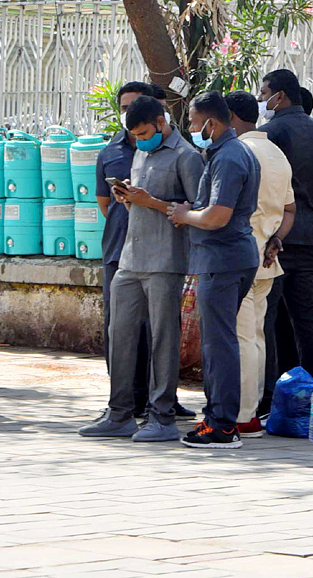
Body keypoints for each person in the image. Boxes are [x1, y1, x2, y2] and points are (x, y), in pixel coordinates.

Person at [80, 95, 203, 442]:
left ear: (162, 122)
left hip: (166, 260)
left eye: (145, 131)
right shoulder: (140, 154)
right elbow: (140, 202)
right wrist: (128, 198)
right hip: (130, 256)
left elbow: (197, 210)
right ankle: (119, 412)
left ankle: (162, 415)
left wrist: (151, 202)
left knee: (163, 338)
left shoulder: (187, 157)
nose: (140, 139)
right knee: (118, 334)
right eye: (134, 134)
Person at [168, 92, 260, 450]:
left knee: (218, 344)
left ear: (211, 124)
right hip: (229, 258)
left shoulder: (229, 158)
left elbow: (217, 216)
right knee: (219, 341)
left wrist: (184, 215)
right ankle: (217, 417)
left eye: (193, 123)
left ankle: (222, 424)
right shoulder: (230, 153)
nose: (191, 130)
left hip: (223, 261)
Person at [258, 68, 313, 387]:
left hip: (275, 239)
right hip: (308, 238)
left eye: (264, 93)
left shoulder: (272, 132)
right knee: (307, 319)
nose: (261, 99)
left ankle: (268, 394)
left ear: (280, 96)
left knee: (267, 318)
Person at [224, 90, 294, 438]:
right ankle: (249, 413)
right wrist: (277, 239)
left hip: (238, 257)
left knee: (241, 338)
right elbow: (290, 209)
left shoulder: (237, 152)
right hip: (268, 256)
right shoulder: (277, 154)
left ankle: (241, 415)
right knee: (256, 336)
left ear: (230, 118)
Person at [93, 81, 157, 417]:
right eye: (123, 107)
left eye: (135, 106)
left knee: (154, 328)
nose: (128, 113)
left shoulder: (166, 150)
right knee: (117, 327)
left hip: (156, 253)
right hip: (118, 249)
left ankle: (155, 399)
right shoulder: (109, 152)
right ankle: (121, 401)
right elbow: (105, 204)